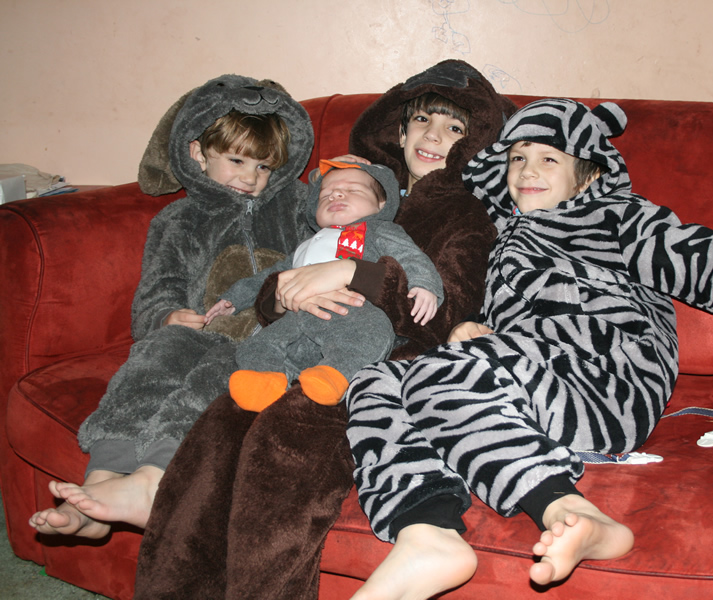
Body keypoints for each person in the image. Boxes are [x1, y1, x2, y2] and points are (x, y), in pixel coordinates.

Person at [343, 98, 713, 600]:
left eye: (549, 159)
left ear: (589, 174)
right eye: (518, 158)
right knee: (374, 380)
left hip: (608, 375)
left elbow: (708, 264)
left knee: (440, 376)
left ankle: (568, 509)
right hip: (532, 372)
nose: (527, 171)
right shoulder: (505, 231)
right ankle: (426, 530)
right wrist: (474, 327)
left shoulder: (615, 216)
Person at [132, 60, 518, 600]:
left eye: (454, 128)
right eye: (423, 120)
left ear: (474, 143)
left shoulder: (465, 215)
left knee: (287, 439)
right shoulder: (344, 191)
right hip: (295, 335)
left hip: (378, 358)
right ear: (400, 130)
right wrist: (281, 292)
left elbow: (444, 313)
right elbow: (284, 273)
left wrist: (353, 273)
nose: (433, 137)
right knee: (221, 426)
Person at [27, 74, 385, 539]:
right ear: (198, 153)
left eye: (264, 167)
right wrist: (165, 316)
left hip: (270, 340)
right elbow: (158, 287)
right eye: (236, 161)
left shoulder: (296, 204)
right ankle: (99, 485)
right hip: (201, 328)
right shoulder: (179, 220)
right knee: (151, 360)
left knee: (206, 382)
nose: (250, 178)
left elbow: (346, 207)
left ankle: (152, 480)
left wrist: (350, 173)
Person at [209, 159, 442, 409]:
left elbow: (410, 256)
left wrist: (425, 284)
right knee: (257, 344)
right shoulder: (305, 245)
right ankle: (263, 379)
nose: (336, 194)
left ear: (381, 204)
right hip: (297, 315)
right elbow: (268, 277)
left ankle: (334, 374)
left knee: (374, 331)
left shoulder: (377, 229)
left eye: (353, 190)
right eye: (325, 194)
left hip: (351, 312)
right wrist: (234, 298)